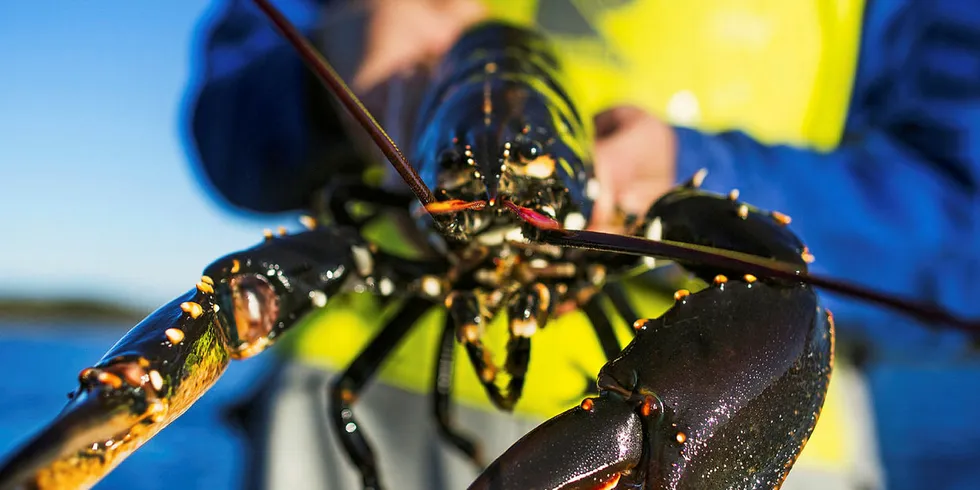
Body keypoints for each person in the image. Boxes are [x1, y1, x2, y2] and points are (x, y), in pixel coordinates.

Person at [184, 1, 980, 489]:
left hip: (722, 431)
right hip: (340, 443)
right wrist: (319, 73)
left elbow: (965, 229)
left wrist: (706, 174)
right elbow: (224, 128)